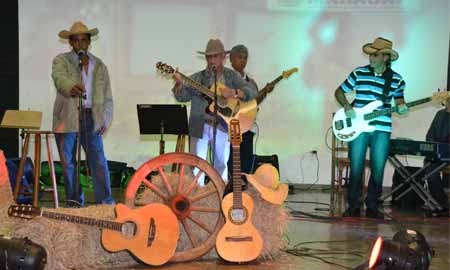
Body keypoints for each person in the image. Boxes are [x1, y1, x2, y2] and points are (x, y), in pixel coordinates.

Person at [334, 37, 409, 218]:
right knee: (356, 165)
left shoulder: (397, 80)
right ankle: (353, 206)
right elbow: (339, 91)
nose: (371, 58)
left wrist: (402, 106)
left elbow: (399, 101)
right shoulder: (359, 73)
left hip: (382, 128)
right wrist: (347, 106)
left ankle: (373, 206)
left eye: (375, 55)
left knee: (378, 167)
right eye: (370, 55)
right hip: (358, 127)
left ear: (385, 57)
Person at [172, 39, 256, 185]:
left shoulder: (231, 76)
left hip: (223, 125)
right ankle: (197, 195)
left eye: (215, 56)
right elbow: (181, 97)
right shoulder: (197, 78)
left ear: (223, 57)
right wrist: (179, 83)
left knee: (221, 164)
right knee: (197, 164)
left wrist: (235, 92)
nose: (212, 60)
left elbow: (251, 91)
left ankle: (221, 196)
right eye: (209, 57)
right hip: (199, 124)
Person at [52, 21, 115, 207]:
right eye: (76, 40)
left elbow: (108, 97)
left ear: (89, 42)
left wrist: (105, 119)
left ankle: (105, 204)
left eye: (84, 40)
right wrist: (72, 87)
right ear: (71, 43)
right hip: (67, 118)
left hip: (92, 117)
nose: (80, 44)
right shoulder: (61, 60)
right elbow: (59, 78)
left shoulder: (99, 65)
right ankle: (73, 203)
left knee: (98, 161)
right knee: (69, 163)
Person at [227, 45, 259, 178]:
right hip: (229, 127)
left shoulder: (251, 82)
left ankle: (244, 188)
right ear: (231, 59)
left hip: (246, 126)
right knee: (230, 162)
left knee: (245, 162)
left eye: (245, 58)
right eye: (239, 57)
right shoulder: (225, 78)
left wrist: (258, 101)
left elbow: (255, 101)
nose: (243, 60)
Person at [424, 98, 450, 215]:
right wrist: (432, 148)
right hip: (439, 154)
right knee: (430, 170)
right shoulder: (440, 114)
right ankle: (441, 202)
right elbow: (430, 134)